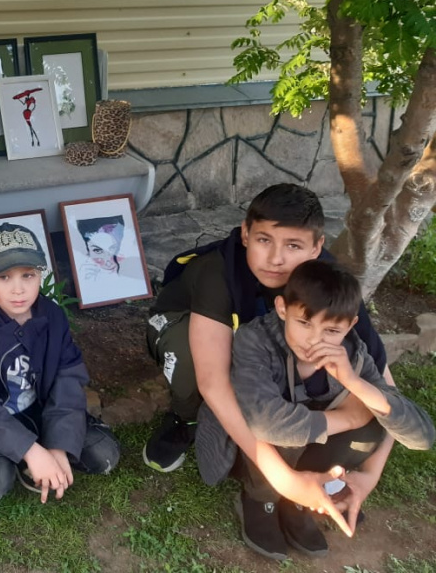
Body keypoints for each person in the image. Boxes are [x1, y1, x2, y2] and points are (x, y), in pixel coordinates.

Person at [142, 183, 390, 536]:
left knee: (303, 352)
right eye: (264, 240)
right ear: (245, 234)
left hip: (252, 334)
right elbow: (213, 381)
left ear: (317, 247)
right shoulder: (218, 273)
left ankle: (285, 434)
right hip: (183, 324)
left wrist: (368, 476)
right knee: (196, 368)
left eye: (293, 246)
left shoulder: (331, 282)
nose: (276, 259)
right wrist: (283, 479)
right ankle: (185, 419)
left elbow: (385, 385)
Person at [196, 260, 434, 560]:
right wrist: (348, 417)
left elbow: (423, 437)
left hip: (305, 445)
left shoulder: (354, 353)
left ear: (350, 325)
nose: (314, 340)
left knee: (376, 415)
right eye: (304, 323)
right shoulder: (255, 339)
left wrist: (354, 383)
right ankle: (260, 498)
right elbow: (266, 424)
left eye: (332, 330)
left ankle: (302, 496)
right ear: (282, 309)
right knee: (289, 427)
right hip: (249, 451)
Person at [0, 222, 121, 520]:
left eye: (28, 275)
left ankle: (31, 458)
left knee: (104, 453)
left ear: (40, 274)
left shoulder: (52, 315)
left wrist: (59, 447)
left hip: (32, 411)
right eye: (4, 277)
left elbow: (68, 379)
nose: (18, 289)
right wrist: (31, 450)